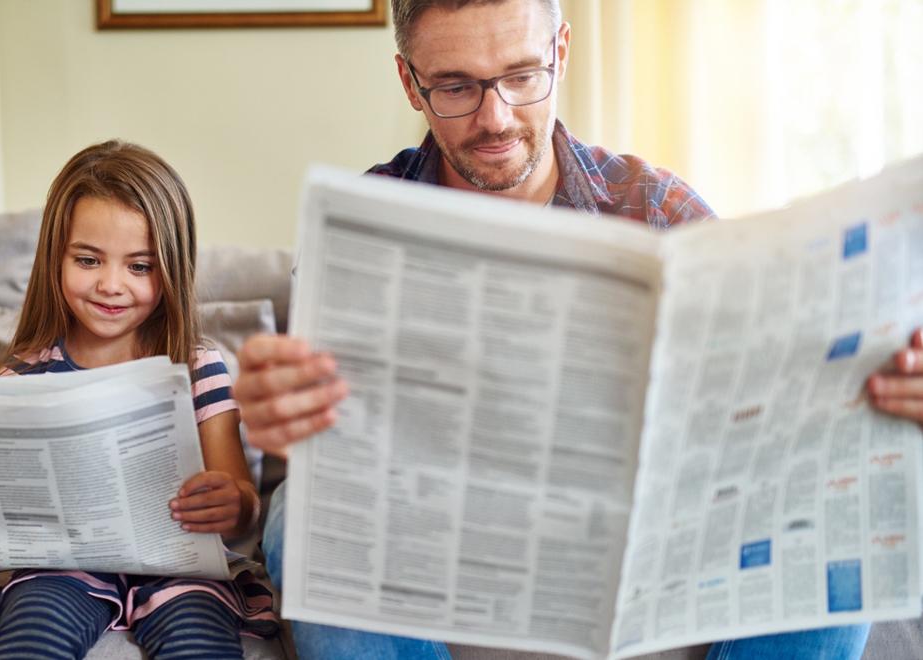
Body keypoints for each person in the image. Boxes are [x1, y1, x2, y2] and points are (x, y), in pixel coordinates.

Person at [232, 0, 917, 658]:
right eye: (456, 86)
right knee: (301, 518)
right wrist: (281, 418)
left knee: (840, 515)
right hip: (451, 529)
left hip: (645, 527)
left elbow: (774, 383)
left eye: (522, 76)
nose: (495, 118)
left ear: (560, 52)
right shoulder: (362, 224)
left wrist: (884, 386)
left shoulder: (652, 205)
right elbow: (320, 447)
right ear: (410, 82)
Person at [0, 140, 276, 660]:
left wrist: (233, 502)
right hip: (61, 568)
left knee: (201, 642)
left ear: (171, 269)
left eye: (140, 267)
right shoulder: (21, 375)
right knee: (31, 638)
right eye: (88, 260)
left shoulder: (197, 366)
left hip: (180, 565)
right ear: (55, 258)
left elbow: (242, 504)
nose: (111, 285)